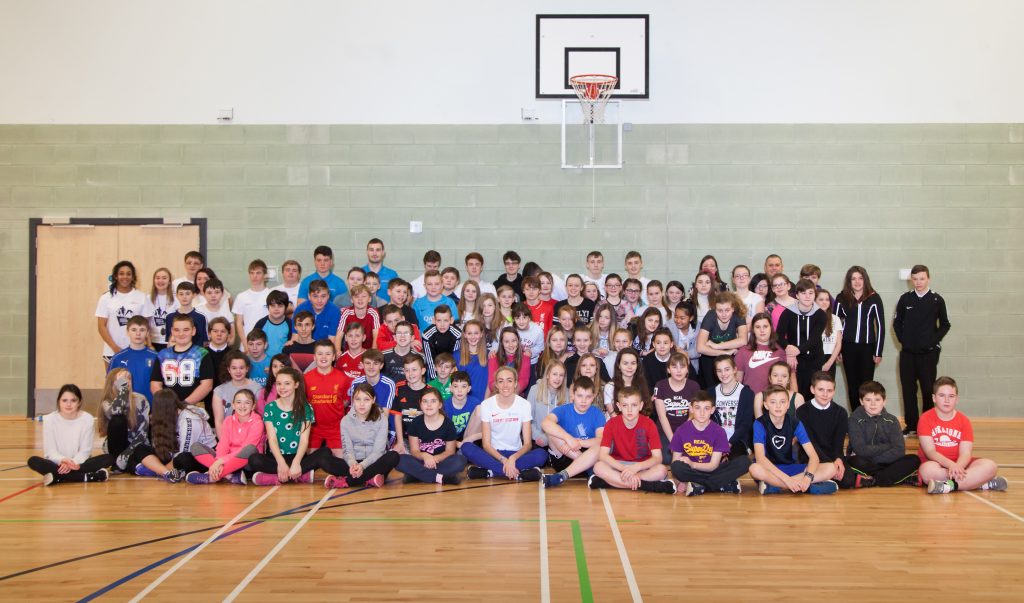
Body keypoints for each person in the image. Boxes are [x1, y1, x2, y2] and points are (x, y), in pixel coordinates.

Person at [245, 367, 335, 485]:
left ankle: (280, 476)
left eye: (287, 383)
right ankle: (299, 476)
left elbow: (304, 440)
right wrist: (281, 463)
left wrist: (297, 462)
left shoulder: (305, 407)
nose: (282, 387)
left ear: (296, 384)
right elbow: (272, 439)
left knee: (326, 452)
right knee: (254, 459)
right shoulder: (270, 408)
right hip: (276, 458)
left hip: (298, 457)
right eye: (279, 384)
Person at [919, 377, 1008, 494]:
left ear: (957, 399)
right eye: (942, 395)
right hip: (938, 465)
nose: (947, 400)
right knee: (926, 471)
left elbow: (966, 453)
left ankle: (949, 486)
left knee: (990, 466)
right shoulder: (925, 418)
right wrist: (951, 465)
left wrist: (958, 467)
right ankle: (980, 483)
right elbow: (930, 452)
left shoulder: (964, 420)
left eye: (951, 396)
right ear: (934, 398)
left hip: (961, 464)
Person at [893, 265, 952, 435]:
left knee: (927, 390)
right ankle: (912, 425)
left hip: (928, 354)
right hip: (908, 354)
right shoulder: (905, 299)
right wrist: (904, 340)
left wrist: (932, 341)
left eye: (922, 278)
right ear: (911, 280)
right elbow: (897, 323)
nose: (918, 282)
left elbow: (945, 324)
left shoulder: (936, 300)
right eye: (915, 279)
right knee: (908, 389)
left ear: (928, 279)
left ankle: (926, 426)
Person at [461, 366, 547, 481]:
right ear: (496, 384)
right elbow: (486, 444)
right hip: (494, 454)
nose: (505, 385)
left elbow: (527, 444)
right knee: (466, 447)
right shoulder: (486, 405)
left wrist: (512, 459)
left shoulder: (524, 404)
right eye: (501, 381)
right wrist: (504, 460)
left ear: (515, 383)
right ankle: (517, 473)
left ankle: (491, 472)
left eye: (509, 381)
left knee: (542, 454)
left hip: (517, 454)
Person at [749, 384, 838, 495]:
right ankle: (796, 486)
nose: (778, 406)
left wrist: (807, 477)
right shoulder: (759, 423)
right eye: (773, 402)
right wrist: (787, 480)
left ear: (788, 405)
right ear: (766, 405)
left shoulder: (795, 423)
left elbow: (814, 457)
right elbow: (760, 458)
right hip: (769, 469)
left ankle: (776, 486)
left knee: (831, 468)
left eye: (782, 402)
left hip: (790, 468)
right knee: (754, 468)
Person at [589, 386, 675, 494]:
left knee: (662, 470)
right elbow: (603, 455)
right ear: (619, 406)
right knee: (598, 467)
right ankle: (646, 485)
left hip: (641, 466)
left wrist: (636, 468)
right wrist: (624, 469)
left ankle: (609, 482)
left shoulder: (649, 424)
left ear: (641, 406)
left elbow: (657, 458)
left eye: (634, 405)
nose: (629, 410)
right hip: (619, 466)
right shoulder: (611, 424)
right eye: (625, 405)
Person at [838, 381, 920, 489]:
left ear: (884, 401)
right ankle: (897, 478)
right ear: (861, 401)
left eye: (877, 399)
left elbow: (899, 450)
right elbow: (860, 450)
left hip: (889, 462)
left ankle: (872, 480)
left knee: (914, 460)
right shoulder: (854, 420)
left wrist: (877, 457)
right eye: (868, 400)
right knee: (853, 460)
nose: (873, 404)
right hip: (865, 462)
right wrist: (887, 446)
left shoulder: (892, 420)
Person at [670, 391, 750, 495]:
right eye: (698, 408)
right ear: (691, 409)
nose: (702, 413)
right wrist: (681, 479)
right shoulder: (681, 430)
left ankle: (699, 486)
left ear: (712, 410)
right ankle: (722, 484)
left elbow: (713, 465)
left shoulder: (719, 431)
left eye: (706, 408)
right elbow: (675, 462)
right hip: (692, 472)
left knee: (745, 461)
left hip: (712, 470)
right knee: (677, 467)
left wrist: (692, 464)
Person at [28, 384, 111, 485]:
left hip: (80, 463)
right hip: (57, 463)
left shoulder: (87, 419)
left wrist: (73, 463)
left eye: (73, 400)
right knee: (33, 461)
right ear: (59, 401)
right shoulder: (49, 419)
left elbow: (85, 451)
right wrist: (63, 460)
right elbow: (50, 451)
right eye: (64, 400)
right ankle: (88, 477)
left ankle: (57, 477)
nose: (68, 404)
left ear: (79, 402)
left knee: (108, 458)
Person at [323, 383, 400, 488]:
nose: (362, 404)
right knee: (325, 460)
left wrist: (362, 466)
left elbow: (378, 452)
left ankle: (347, 481)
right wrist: (353, 465)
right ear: (353, 400)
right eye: (358, 399)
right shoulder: (345, 421)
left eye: (366, 399)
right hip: (354, 463)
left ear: (373, 400)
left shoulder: (382, 419)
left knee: (393, 456)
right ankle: (369, 478)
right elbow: (347, 450)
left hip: (374, 462)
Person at [132, 388, 216, 482]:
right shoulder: (164, 418)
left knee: (183, 459)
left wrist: (160, 465)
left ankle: (158, 471)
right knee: (140, 449)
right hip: (175, 455)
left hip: (201, 457)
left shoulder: (189, 419)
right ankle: (168, 474)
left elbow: (185, 451)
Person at [185, 388, 265, 485]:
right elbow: (223, 444)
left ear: (253, 406)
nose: (242, 406)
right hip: (227, 460)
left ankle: (210, 477)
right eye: (239, 402)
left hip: (245, 461)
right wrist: (219, 460)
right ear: (233, 405)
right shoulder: (228, 420)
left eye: (247, 403)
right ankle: (229, 476)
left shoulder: (258, 423)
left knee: (250, 449)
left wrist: (221, 461)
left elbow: (246, 447)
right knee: (195, 446)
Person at [541, 376, 607, 488]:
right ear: (573, 395)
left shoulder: (597, 413)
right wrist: (568, 438)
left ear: (593, 397)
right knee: (552, 433)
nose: (583, 401)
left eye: (588, 397)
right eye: (580, 396)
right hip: (566, 457)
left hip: (587, 454)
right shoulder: (563, 409)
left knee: (599, 446)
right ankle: (589, 469)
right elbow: (545, 423)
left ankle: (562, 476)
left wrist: (579, 442)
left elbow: (601, 440)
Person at [834, 266, 885, 409]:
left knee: (867, 385)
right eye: (853, 279)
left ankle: (867, 417)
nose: (857, 282)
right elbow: (835, 325)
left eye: (860, 278)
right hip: (848, 347)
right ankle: (856, 419)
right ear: (849, 281)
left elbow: (880, 326)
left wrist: (878, 351)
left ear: (865, 279)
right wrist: (837, 350)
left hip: (868, 348)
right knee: (852, 384)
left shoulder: (874, 298)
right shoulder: (841, 297)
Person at [396, 387, 466, 484]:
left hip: (441, 462)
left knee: (460, 461)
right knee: (398, 459)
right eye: (425, 401)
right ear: (420, 404)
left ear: (440, 404)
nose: (429, 405)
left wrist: (433, 459)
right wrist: (425, 456)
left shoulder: (448, 424)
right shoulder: (415, 423)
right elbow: (414, 451)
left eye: (433, 401)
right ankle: (439, 477)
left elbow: (450, 451)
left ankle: (417, 475)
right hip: (421, 461)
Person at [795, 372, 849, 488]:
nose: (825, 394)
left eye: (829, 391)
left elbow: (838, 444)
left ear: (834, 391)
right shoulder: (802, 412)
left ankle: (816, 483)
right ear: (812, 389)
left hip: (832, 456)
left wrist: (838, 459)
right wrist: (830, 464)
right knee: (831, 472)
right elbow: (810, 443)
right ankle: (816, 481)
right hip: (810, 456)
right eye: (821, 390)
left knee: (847, 481)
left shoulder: (841, 413)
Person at [775, 279, 827, 399]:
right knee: (796, 394)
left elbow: (814, 339)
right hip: (795, 361)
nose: (807, 296)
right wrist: (788, 349)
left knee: (812, 393)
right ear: (797, 295)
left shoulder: (820, 315)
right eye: (803, 293)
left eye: (811, 293)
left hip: (814, 360)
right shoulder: (788, 312)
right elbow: (779, 335)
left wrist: (796, 350)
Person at [150, 314, 215, 407]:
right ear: (172, 331)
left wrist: (184, 405)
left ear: (193, 331)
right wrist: (165, 403)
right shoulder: (162, 355)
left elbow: (207, 385)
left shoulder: (202, 353)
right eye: (177, 330)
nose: (181, 334)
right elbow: (155, 383)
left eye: (186, 330)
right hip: (168, 408)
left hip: (194, 407)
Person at [98, 369, 153, 475]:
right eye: (122, 379)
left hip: (136, 444)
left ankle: (135, 468)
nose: (126, 382)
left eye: (129, 378)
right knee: (118, 420)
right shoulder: (107, 402)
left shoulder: (140, 399)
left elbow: (142, 435)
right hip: (117, 446)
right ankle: (123, 463)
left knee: (137, 453)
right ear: (113, 382)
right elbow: (116, 411)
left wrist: (125, 456)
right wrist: (123, 389)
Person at [305, 339, 350, 458]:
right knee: (308, 460)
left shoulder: (343, 378)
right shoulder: (306, 378)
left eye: (328, 353)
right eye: (320, 354)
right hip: (313, 428)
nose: (323, 357)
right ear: (314, 357)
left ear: (334, 357)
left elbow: (345, 401)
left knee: (341, 461)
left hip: (336, 427)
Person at [652, 352, 701, 463]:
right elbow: (661, 416)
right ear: (668, 370)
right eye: (674, 367)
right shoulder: (660, 385)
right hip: (665, 430)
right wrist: (674, 440)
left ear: (687, 370)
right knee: (667, 458)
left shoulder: (694, 386)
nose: (679, 371)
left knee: (694, 455)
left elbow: (693, 414)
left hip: (687, 428)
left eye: (682, 367)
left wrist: (681, 435)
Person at [96, 260, 147, 365]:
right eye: (121, 273)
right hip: (112, 351)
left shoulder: (142, 297)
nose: (125, 277)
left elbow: (146, 326)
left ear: (133, 277)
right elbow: (101, 326)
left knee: (135, 381)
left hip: (136, 350)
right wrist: (114, 347)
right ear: (115, 276)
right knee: (113, 381)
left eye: (128, 274)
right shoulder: (106, 298)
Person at [348, 349, 398, 443]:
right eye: (367, 363)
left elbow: (385, 415)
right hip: (361, 427)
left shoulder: (389, 384)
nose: (371, 367)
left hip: (384, 428)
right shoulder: (356, 383)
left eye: (375, 363)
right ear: (362, 364)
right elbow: (355, 411)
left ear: (381, 365)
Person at [708, 356, 754, 458]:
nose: (723, 374)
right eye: (719, 371)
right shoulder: (710, 393)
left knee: (737, 460)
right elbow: (708, 421)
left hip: (738, 440)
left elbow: (746, 424)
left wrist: (729, 443)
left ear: (735, 369)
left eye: (727, 369)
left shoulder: (747, 393)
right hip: (714, 439)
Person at [108, 315, 159, 402]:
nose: (138, 334)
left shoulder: (156, 357)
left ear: (147, 333)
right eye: (134, 330)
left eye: (142, 330)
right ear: (128, 332)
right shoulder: (118, 358)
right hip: (125, 407)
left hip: (150, 406)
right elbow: (110, 384)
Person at [734, 312, 786, 395]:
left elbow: (788, 380)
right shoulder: (743, 352)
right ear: (753, 330)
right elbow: (737, 382)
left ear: (771, 328)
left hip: (774, 403)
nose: (762, 330)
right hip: (750, 400)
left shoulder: (780, 352)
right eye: (758, 327)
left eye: (765, 326)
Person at [211, 351, 259, 438]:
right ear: (229, 369)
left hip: (250, 438)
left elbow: (260, 419)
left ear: (247, 369)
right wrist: (224, 444)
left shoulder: (257, 388)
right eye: (234, 368)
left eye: (241, 368)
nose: (238, 371)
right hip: (228, 437)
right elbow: (219, 421)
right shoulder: (219, 391)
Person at [527, 360, 568, 452]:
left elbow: (568, 422)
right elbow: (528, 421)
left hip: (560, 441)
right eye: (555, 374)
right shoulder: (535, 390)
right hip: (538, 439)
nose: (558, 378)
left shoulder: (567, 393)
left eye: (561, 375)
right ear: (548, 375)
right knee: (540, 457)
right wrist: (540, 437)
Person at [392, 355, 430, 453]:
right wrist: (400, 442)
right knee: (395, 457)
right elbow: (397, 416)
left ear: (422, 371)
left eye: (414, 369)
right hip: (405, 438)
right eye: (407, 370)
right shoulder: (399, 388)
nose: (410, 374)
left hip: (425, 439)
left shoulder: (431, 392)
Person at [293, 279, 342, 349]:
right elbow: (295, 336)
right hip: (304, 347)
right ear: (309, 296)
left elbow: (332, 340)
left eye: (323, 296)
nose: (319, 300)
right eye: (315, 296)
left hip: (324, 350)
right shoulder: (301, 309)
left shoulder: (335, 311)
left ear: (328, 296)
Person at [232, 259, 271, 343]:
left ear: (265, 275)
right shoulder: (241, 297)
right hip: (247, 342)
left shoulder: (271, 295)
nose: (254, 276)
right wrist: (245, 343)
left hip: (267, 342)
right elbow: (239, 323)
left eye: (258, 273)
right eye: (252, 273)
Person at [604, 347, 649, 416]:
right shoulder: (610, 387)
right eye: (625, 363)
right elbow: (613, 414)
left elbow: (646, 411)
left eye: (633, 363)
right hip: (616, 424)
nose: (629, 367)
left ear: (637, 365)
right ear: (619, 365)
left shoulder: (642, 384)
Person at [422, 305, 462, 380]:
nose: (442, 324)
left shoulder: (457, 334)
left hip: (450, 369)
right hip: (435, 367)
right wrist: (435, 381)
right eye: (439, 320)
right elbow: (430, 361)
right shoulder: (427, 335)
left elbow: (455, 359)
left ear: (451, 320)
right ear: (434, 320)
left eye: (446, 320)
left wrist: (452, 379)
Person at [487, 327, 531, 395]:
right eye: (507, 341)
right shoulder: (494, 357)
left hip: (516, 395)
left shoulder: (525, 357)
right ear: (502, 343)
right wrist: (503, 393)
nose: (511, 345)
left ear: (518, 341)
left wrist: (511, 394)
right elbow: (491, 382)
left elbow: (524, 381)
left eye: (513, 341)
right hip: (498, 394)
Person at [337, 284, 380, 352]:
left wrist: (372, 354)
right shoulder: (346, 312)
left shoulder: (373, 313)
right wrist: (337, 351)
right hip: (350, 351)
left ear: (369, 299)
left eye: (364, 296)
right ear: (351, 299)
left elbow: (376, 336)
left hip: (368, 352)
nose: (360, 299)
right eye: (356, 296)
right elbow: (339, 335)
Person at [142, 267, 176, 350]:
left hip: (172, 342)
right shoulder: (148, 298)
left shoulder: (176, 298)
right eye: (157, 278)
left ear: (169, 282)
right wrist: (149, 345)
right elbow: (146, 323)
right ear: (154, 281)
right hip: (154, 342)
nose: (160, 281)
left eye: (164, 278)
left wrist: (172, 341)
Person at [444, 371, 482, 443]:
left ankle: (465, 447)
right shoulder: (445, 405)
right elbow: (441, 433)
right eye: (455, 386)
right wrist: (455, 444)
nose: (459, 390)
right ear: (451, 388)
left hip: (468, 438)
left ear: (469, 389)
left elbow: (485, 431)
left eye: (464, 386)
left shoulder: (475, 403)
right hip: (450, 440)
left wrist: (467, 441)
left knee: (480, 409)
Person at [455, 320, 490, 401]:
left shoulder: (489, 355)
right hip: (465, 401)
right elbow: (455, 383)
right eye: (469, 333)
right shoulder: (456, 356)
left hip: (484, 400)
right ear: (464, 335)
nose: (473, 337)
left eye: (476, 333)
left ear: (481, 334)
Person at [165, 282, 208, 347]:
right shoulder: (170, 317)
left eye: (187, 294)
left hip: (194, 354)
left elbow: (204, 342)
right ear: (177, 295)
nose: (184, 297)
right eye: (181, 294)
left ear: (193, 295)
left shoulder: (201, 317)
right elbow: (169, 341)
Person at [252, 290, 292, 358]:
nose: (276, 309)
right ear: (268, 307)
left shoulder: (290, 324)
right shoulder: (261, 323)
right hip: (263, 362)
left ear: (286, 307)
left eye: (280, 306)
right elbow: (253, 343)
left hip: (282, 363)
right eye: (273, 306)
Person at [816, 289, 843, 379]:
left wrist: (830, 362)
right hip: (815, 357)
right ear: (814, 301)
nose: (824, 302)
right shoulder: (811, 318)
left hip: (830, 357)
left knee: (828, 387)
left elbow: (838, 344)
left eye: (827, 300)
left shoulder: (835, 319)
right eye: (821, 299)